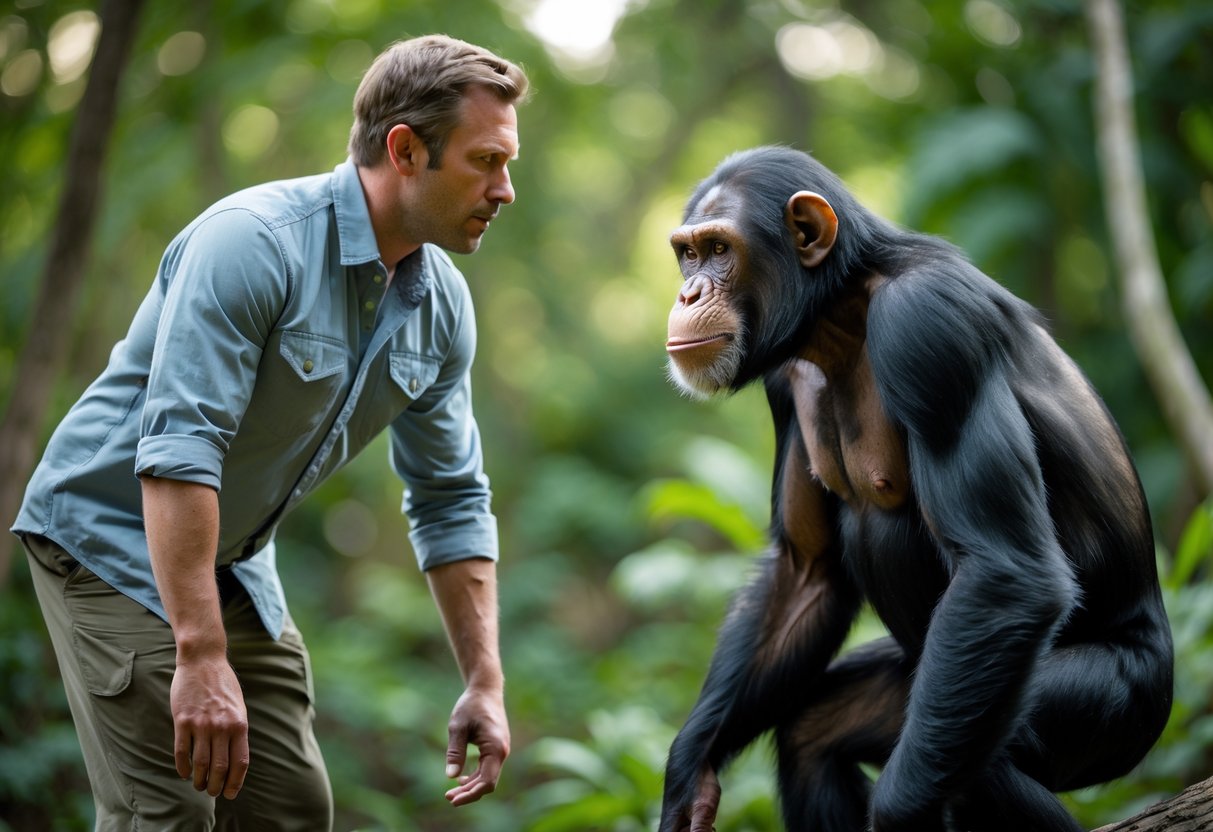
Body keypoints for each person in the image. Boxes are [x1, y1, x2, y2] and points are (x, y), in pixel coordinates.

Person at [12, 34, 527, 830]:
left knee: (289, 808)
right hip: (105, 536)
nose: (505, 189)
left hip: (230, 556)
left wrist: (484, 682)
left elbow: (451, 497)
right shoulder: (254, 243)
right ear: (405, 150)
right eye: (486, 161)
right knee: (169, 813)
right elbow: (182, 452)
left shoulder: (441, 307)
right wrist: (200, 653)